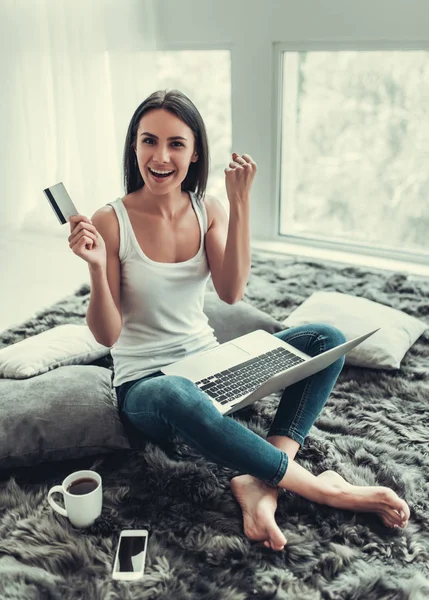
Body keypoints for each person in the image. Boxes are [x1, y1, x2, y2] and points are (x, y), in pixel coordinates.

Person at [68, 89, 410, 552]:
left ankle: (260, 480)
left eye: (176, 144)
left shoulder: (207, 208)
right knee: (175, 391)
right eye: (149, 141)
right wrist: (93, 266)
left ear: (194, 153)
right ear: (134, 147)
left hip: (212, 367)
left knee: (325, 337)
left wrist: (241, 202)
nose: (161, 156)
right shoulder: (111, 221)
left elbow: (231, 291)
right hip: (149, 389)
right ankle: (317, 486)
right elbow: (107, 334)